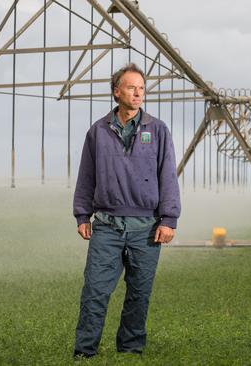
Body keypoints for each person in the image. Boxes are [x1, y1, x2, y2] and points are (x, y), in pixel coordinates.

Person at [72, 63, 181, 359]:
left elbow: (167, 175)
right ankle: (85, 352)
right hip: (106, 226)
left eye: (142, 88)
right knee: (95, 291)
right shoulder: (98, 131)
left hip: (146, 227)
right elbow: (86, 176)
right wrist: (82, 214)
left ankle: (130, 350)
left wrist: (169, 219)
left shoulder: (157, 130)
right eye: (132, 87)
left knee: (139, 293)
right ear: (116, 91)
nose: (138, 93)